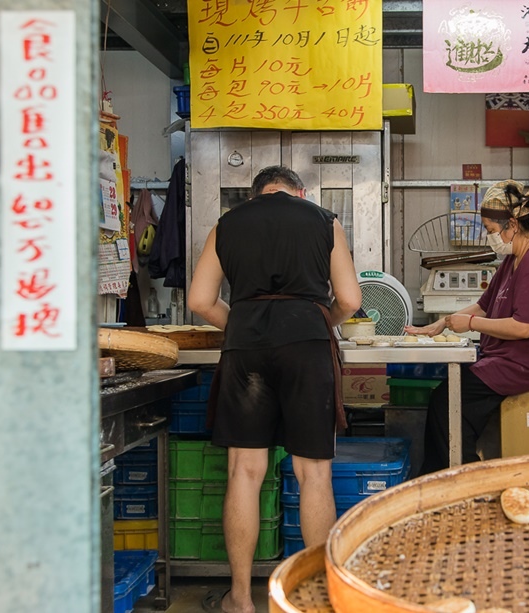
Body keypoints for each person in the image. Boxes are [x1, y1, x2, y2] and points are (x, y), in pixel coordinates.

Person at [188, 166, 362, 613]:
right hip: (307, 346)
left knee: (245, 472)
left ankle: (241, 599)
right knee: (314, 474)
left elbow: (200, 301)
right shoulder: (324, 219)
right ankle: (318, 598)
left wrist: (247, 326)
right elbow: (349, 299)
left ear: (253, 195)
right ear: (298, 192)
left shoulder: (228, 224)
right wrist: (317, 325)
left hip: (246, 347)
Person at [405, 179, 529, 474]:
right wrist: (442, 323)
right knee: (447, 396)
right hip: (507, 359)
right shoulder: (513, 259)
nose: (489, 238)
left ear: (512, 223)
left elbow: (524, 328)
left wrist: (469, 324)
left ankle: (464, 480)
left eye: (491, 230)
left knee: (447, 401)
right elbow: (485, 304)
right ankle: (443, 476)